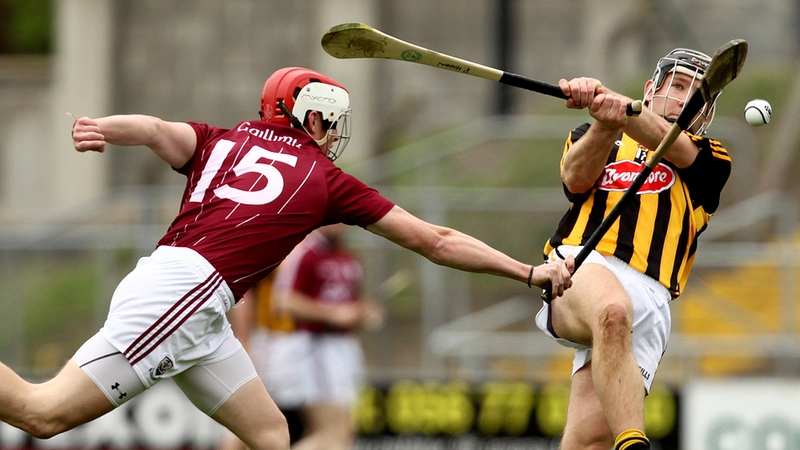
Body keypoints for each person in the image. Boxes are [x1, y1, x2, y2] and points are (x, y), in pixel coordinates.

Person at [0, 67, 575, 450]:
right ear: (312, 117)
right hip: (186, 295)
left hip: (190, 297)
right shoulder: (324, 179)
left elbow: (152, 129)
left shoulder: (220, 138)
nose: (334, 134)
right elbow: (436, 240)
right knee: (42, 412)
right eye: (331, 120)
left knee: (273, 436)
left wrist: (102, 128)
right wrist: (527, 271)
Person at [535, 48, 731, 450]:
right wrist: (605, 123)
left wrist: (612, 102)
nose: (684, 100)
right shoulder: (591, 137)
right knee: (611, 310)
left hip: (652, 300)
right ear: (651, 90)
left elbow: (664, 138)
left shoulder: (712, 159)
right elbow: (575, 180)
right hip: (582, 269)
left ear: (706, 114)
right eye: (677, 86)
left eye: (697, 95)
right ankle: (634, 442)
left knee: (587, 442)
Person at [220, 223, 384, 450]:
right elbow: (257, 297)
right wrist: (245, 342)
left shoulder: (343, 255)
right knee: (257, 422)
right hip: (276, 343)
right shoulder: (288, 247)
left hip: (303, 346)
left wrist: (359, 313)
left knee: (320, 430)